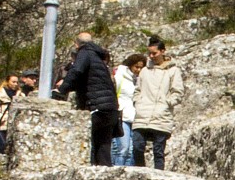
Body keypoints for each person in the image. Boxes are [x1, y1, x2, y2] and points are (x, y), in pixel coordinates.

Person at [54, 31, 120, 164]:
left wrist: (61, 90)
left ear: (76, 44)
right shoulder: (98, 57)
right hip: (110, 106)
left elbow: (77, 71)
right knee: (103, 147)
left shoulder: (85, 53)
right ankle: (104, 177)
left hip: (96, 106)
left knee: (89, 144)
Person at [132, 36, 184, 168]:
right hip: (142, 114)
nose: (151, 56)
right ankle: (140, 174)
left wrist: (167, 103)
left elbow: (178, 91)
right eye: (149, 53)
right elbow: (137, 90)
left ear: (162, 51)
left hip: (161, 115)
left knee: (158, 151)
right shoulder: (144, 71)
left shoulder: (173, 71)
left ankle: (159, 178)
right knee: (137, 147)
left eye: (154, 53)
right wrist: (137, 103)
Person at [112, 51, 145, 167]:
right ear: (130, 65)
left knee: (131, 151)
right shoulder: (120, 76)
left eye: (141, 67)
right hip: (122, 116)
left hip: (134, 117)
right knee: (123, 149)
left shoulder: (139, 80)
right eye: (136, 67)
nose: (138, 70)